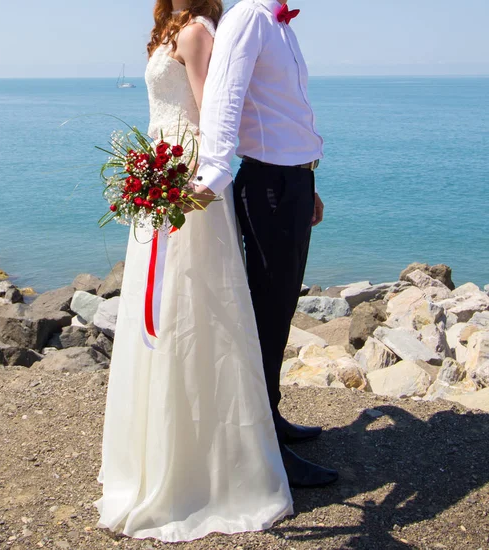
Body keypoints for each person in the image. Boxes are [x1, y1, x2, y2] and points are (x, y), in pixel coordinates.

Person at [95, 0, 293, 542]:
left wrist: (182, 177)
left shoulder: (200, 31)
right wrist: (145, 168)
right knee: (158, 300)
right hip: (161, 168)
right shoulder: (168, 29)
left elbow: (212, 116)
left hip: (185, 181)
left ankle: (205, 464)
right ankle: (155, 451)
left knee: (191, 303)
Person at [192, 0, 339, 488]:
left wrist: (308, 182)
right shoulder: (249, 17)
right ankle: (263, 446)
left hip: (292, 183)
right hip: (269, 187)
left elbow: (284, 113)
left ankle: (269, 418)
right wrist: (214, 169)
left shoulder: (280, 25)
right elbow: (223, 96)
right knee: (267, 317)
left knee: (280, 312)